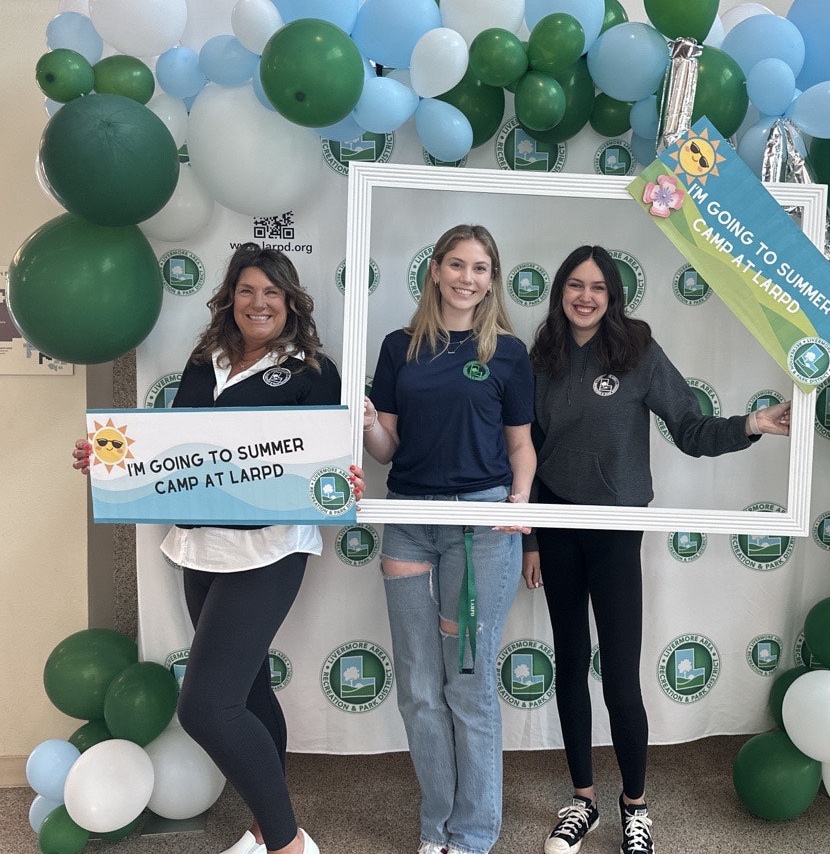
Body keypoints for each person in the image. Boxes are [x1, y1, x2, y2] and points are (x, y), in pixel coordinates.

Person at [73, 243, 342, 854]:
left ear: (290, 302)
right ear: (230, 298)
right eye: (247, 290)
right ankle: (265, 822)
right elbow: (177, 449)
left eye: (272, 292)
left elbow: (324, 462)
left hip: (269, 550)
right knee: (245, 691)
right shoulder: (205, 361)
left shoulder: (311, 370)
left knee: (205, 707)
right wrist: (111, 459)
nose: (259, 302)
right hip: (200, 547)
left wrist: (339, 478)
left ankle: (287, 843)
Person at [522, 245, 791, 854]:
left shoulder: (638, 350)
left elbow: (691, 430)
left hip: (616, 529)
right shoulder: (542, 358)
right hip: (556, 524)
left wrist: (752, 424)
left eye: (597, 287)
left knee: (619, 674)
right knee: (569, 664)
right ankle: (583, 801)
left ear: (614, 296)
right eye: (574, 285)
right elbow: (528, 450)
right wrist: (533, 538)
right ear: (560, 290)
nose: (585, 296)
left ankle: (634, 806)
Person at [359, 223, 535, 854]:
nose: (467, 278)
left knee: (468, 682)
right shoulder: (397, 346)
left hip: (480, 526)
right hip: (406, 517)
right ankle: (437, 827)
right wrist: (368, 425)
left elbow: (521, 446)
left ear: (492, 279)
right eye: (456, 265)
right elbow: (388, 448)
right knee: (416, 685)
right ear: (434, 270)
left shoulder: (508, 353)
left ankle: (474, 833)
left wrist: (520, 505)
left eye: (480, 268)